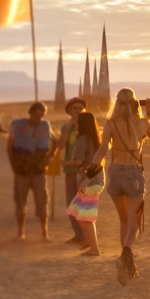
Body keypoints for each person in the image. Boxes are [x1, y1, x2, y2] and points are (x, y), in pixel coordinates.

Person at [90, 88, 150, 286]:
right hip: (133, 174)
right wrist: (149, 113)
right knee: (134, 224)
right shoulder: (142, 123)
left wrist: (92, 170)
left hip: (115, 173)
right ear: (135, 103)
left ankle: (129, 266)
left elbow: (103, 149)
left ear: (117, 103)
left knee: (123, 220)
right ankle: (124, 256)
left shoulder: (110, 123)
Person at [7, 102, 58, 242]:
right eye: (37, 115)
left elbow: (56, 141)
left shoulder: (45, 126)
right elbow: (10, 146)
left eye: (42, 115)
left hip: (39, 170)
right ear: (31, 113)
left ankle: (44, 233)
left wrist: (51, 155)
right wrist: (14, 166)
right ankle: (20, 233)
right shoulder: (17, 125)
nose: (39, 118)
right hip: (21, 169)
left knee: (42, 201)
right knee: (20, 201)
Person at [65, 113, 105, 256]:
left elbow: (78, 161)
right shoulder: (96, 139)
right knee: (76, 211)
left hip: (87, 181)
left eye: (78, 122)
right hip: (97, 179)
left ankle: (94, 248)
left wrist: (65, 163)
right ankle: (89, 241)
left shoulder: (82, 138)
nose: (76, 125)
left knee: (85, 216)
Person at [59, 97, 88, 245]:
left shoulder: (87, 126)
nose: (77, 111)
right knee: (71, 205)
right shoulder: (66, 127)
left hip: (83, 171)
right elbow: (60, 145)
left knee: (84, 205)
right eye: (74, 108)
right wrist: (70, 127)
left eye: (80, 108)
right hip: (70, 171)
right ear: (69, 111)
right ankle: (79, 234)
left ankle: (87, 236)